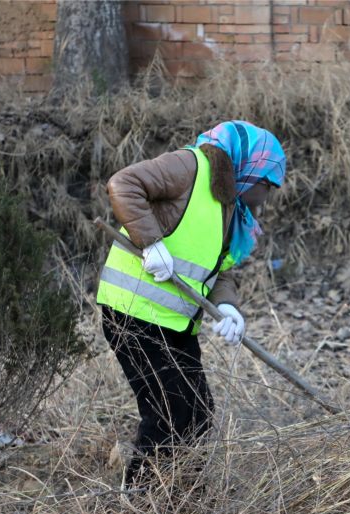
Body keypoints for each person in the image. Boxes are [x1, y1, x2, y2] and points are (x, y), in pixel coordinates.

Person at [96, 121, 286, 487]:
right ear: (250, 166)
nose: (266, 195)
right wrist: (151, 242)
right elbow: (124, 184)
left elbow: (220, 268)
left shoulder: (230, 205)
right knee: (170, 412)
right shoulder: (189, 166)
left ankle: (183, 497)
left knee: (198, 414)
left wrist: (228, 306)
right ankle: (141, 502)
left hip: (175, 321)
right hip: (133, 312)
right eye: (267, 183)